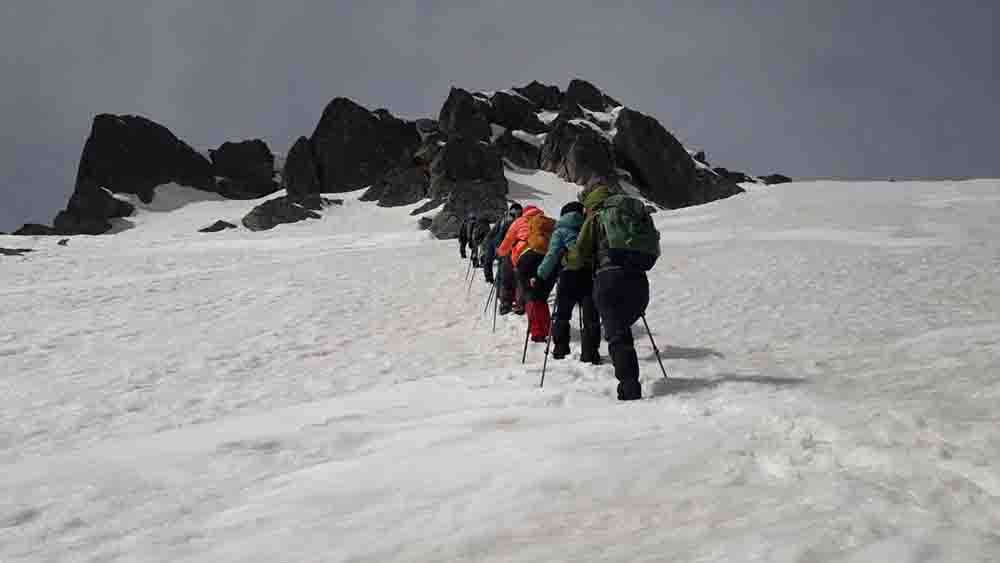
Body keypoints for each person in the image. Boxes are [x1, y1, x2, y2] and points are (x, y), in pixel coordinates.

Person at [572, 185, 650, 400]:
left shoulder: (596, 217)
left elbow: (579, 253)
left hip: (609, 279)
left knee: (617, 335)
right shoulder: (628, 213)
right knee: (623, 328)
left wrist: (566, 260)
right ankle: (629, 381)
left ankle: (629, 388)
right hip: (639, 279)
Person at [534, 201, 601, 363]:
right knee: (591, 317)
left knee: (562, 314)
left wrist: (540, 275)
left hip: (568, 276)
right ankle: (590, 354)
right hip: (589, 276)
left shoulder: (560, 231)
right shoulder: (590, 228)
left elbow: (552, 256)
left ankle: (560, 348)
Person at [498, 205, 555, 341]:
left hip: (526, 259)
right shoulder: (545, 222)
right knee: (541, 295)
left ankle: (537, 332)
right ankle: (547, 327)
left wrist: (500, 252)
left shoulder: (520, 221)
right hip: (546, 258)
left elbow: (508, 241)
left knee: (529, 295)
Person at [482, 202, 522, 295]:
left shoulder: (511, 221)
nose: (516, 216)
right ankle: (502, 294)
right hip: (502, 249)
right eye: (513, 214)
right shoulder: (504, 221)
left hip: (510, 250)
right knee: (503, 273)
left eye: (519, 214)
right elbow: (496, 235)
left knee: (507, 273)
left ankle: (507, 294)